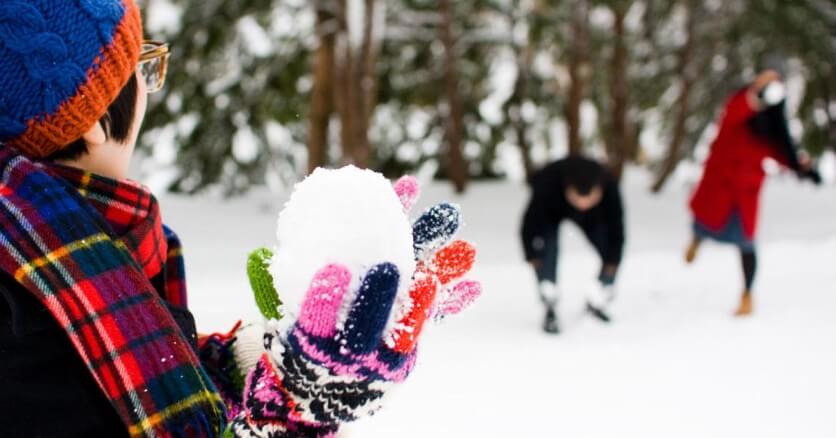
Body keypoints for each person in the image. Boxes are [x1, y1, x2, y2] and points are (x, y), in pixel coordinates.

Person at [0, 1, 227, 435]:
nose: (148, 84)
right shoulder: (38, 342)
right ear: (94, 120)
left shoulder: (52, 262)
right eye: (141, 64)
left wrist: (253, 363)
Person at [686, 64, 821, 317]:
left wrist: (803, 168)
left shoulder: (767, 133)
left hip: (743, 199)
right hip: (718, 191)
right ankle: (694, 244)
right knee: (701, 225)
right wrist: (758, 92)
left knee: (747, 246)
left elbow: (783, 153)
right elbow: (739, 107)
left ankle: (747, 294)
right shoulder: (737, 114)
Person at [521, 156, 625, 334]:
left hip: (594, 218)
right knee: (546, 252)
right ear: (568, 190)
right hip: (552, 213)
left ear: (599, 191)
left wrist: (612, 264)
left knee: (609, 252)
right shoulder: (547, 184)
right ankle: (549, 302)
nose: (583, 205)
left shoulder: (609, 186)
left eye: (589, 199)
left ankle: (598, 299)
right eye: (578, 200)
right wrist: (531, 255)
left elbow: (617, 230)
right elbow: (528, 225)